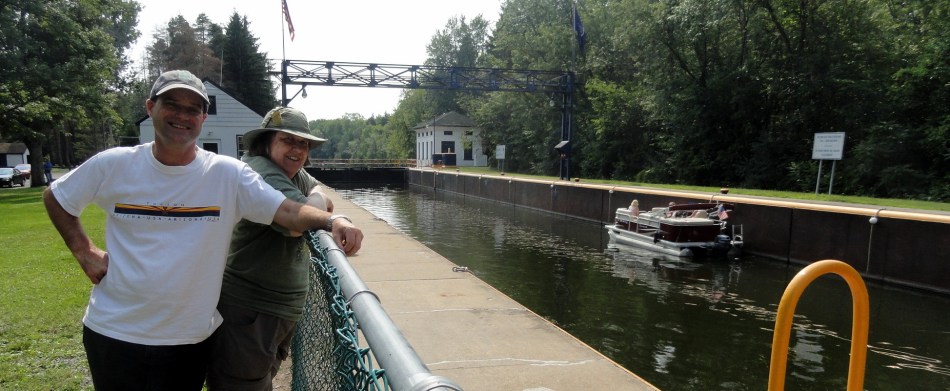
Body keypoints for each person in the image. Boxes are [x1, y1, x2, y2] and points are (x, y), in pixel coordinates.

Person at [42, 70, 363, 391]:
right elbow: (57, 196)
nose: (183, 116)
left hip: (189, 338)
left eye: (193, 109)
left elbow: (289, 211)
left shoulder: (228, 175)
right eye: (173, 104)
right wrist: (84, 251)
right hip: (114, 332)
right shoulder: (113, 164)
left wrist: (333, 221)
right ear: (151, 107)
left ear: (203, 117)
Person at [206, 107, 334, 390]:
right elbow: (296, 223)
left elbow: (319, 190)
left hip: (275, 309)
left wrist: (315, 196)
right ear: (266, 142)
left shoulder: (290, 172)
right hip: (251, 309)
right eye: (287, 140)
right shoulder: (261, 171)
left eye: (303, 143)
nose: (297, 150)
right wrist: (324, 210)